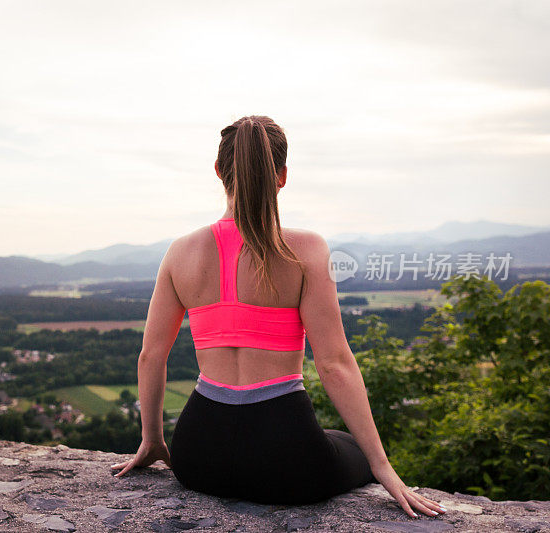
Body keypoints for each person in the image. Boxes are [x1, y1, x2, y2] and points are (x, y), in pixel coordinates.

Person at [110, 115, 447, 518]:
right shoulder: (306, 250)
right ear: (282, 175)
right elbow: (334, 363)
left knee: (321, 440)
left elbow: (151, 356)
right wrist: (383, 466)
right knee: (348, 444)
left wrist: (152, 441)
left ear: (219, 172)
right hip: (287, 462)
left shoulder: (180, 252)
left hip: (198, 457)